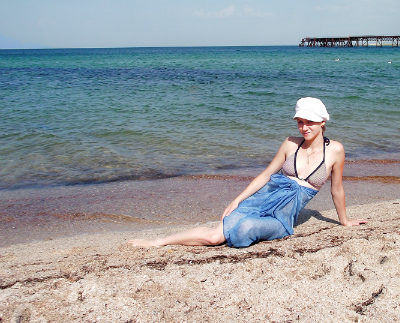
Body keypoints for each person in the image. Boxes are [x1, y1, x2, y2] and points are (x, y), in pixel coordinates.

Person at [128, 97, 367, 248]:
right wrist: (237, 200)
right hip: (260, 199)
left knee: (244, 230)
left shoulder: (335, 150)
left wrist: (344, 221)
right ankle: (159, 242)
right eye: (300, 122)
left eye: (310, 122)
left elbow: (337, 189)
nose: (304, 128)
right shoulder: (290, 144)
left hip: (281, 217)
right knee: (214, 237)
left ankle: (231, 231)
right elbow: (265, 175)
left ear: (323, 122)